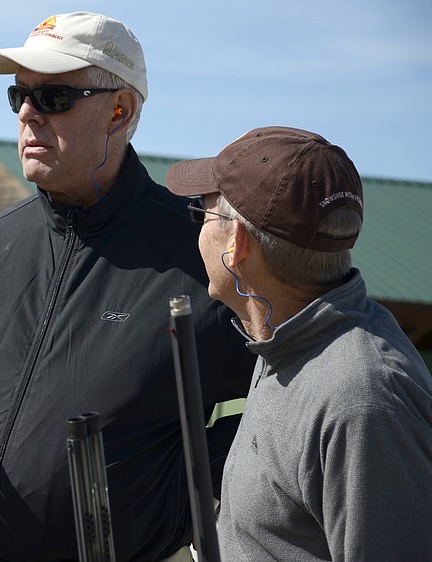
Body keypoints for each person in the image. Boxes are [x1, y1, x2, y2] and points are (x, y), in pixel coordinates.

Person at [0, 12, 254, 561]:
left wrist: (180, 496)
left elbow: (291, 401)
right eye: (18, 95)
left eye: (54, 97)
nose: (27, 114)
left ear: (121, 110)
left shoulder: (200, 257)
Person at [165, 125, 432, 560]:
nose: (197, 226)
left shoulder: (361, 400)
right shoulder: (286, 334)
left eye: (203, 211)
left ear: (237, 245)